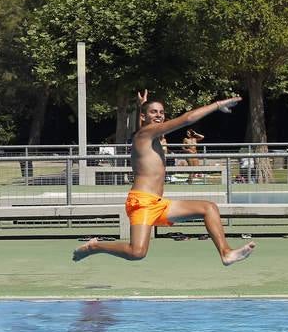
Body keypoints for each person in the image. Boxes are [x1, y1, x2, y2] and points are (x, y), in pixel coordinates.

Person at [73, 96, 255, 266]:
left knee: (209, 208)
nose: (159, 115)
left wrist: (142, 109)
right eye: (154, 112)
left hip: (158, 203)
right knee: (137, 253)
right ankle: (94, 246)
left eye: (161, 112)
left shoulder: (148, 136)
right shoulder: (145, 133)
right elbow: (187, 118)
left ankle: (226, 252)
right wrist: (217, 105)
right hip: (142, 202)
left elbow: (144, 127)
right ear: (144, 116)